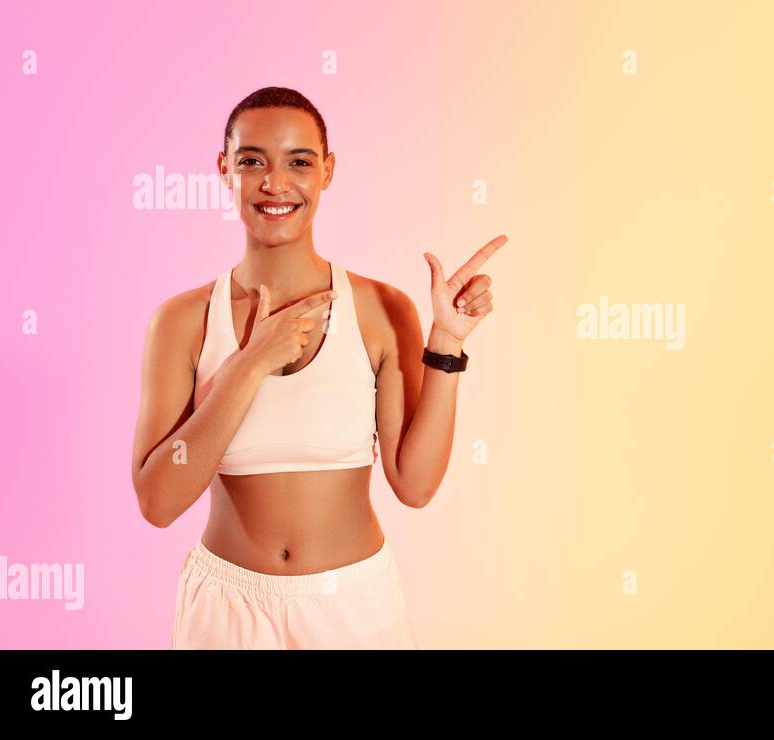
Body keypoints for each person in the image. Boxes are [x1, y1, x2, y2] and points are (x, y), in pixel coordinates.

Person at [129, 86, 506, 648]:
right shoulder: (182, 321)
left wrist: (446, 343)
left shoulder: (382, 309)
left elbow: (415, 484)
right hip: (226, 610)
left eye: (299, 162)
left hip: (351, 606)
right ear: (223, 170)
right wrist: (248, 365)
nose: (275, 184)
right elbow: (158, 502)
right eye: (252, 161)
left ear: (327, 171)